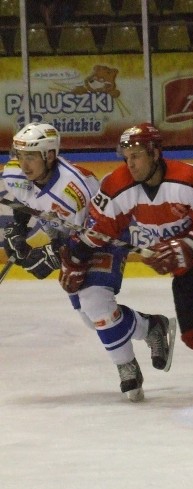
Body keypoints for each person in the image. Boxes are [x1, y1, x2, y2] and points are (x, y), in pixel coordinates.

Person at [62, 122, 193, 388]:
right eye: (126, 158)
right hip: (183, 262)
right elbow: (99, 229)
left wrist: (185, 246)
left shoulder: (189, 178)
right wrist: (76, 255)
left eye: (136, 156)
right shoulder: (116, 186)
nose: (130, 164)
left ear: (155, 152)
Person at [1, 122, 173, 402]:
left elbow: (92, 233)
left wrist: (52, 255)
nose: (23, 163)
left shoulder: (74, 189)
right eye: (20, 155)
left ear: (49, 155)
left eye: (31, 156)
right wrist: (16, 232)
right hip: (72, 238)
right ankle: (151, 327)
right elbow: (25, 203)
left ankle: (126, 366)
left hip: (104, 235)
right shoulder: (14, 173)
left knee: (96, 304)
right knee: (92, 319)